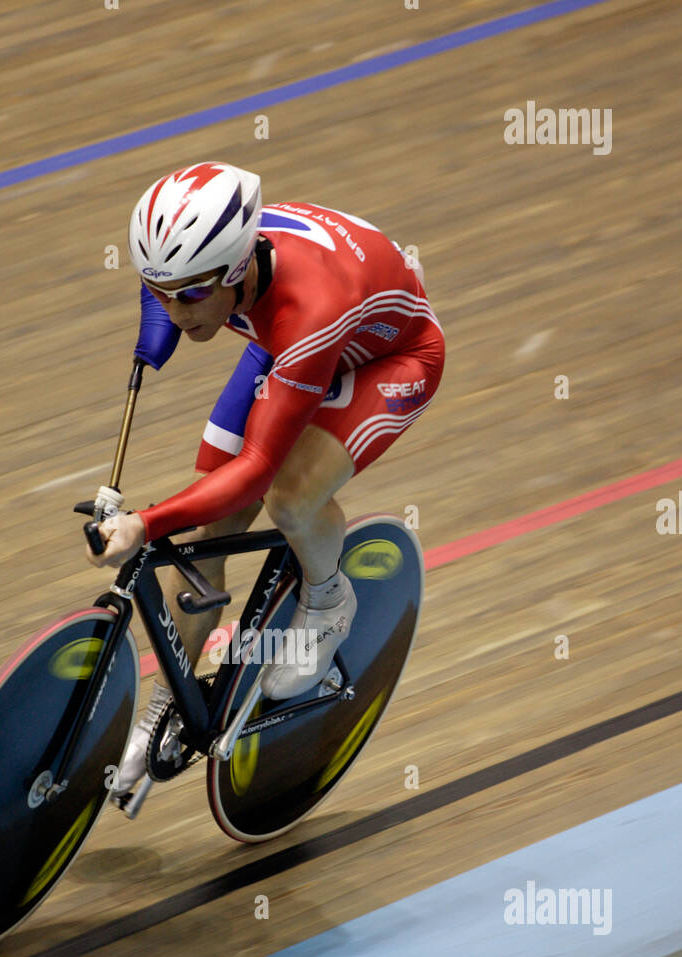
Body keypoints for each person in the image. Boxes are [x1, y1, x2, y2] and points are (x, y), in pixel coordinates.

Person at [87, 160, 444, 795]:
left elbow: (254, 473)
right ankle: (166, 706)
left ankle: (330, 599)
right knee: (201, 538)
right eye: (159, 289)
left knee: (288, 495)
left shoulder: (311, 306)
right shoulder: (205, 264)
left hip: (388, 357)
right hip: (284, 342)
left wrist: (143, 522)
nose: (175, 308)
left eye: (192, 295)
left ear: (235, 271)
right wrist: (162, 327)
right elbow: (169, 285)